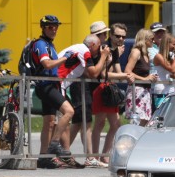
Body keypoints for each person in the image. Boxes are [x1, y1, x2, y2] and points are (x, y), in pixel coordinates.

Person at [57, 33, 111, 168]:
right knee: (67, 117)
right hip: (59, 83)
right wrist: (103, 56)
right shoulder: (85, 52)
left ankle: (63, 153)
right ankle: (57, 151)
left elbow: (90, 72)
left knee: (72, 118)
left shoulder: (79, 49)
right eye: (98, 48)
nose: (99, 50)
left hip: (60, 84)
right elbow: (93, 73)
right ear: (92, 45)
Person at [32, 15, 75, 169]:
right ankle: (54, 145)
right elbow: (47, 64)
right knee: (69, 111)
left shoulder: (50, 44)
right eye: (50, 27)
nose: (54, 29)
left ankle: (44, 157)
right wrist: (64, 58)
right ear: (43, 28)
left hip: (50, 85)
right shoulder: (41, 44)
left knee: (49, 122)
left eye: (56, 26)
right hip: (45, 86)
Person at [92, 22, 134, 165]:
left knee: (115, 124)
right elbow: (104, 74)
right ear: (111, 35)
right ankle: (95, 156)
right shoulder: (105, 48)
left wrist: (128, 75)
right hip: (100, 87)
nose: (121, 39)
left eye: (123, 37)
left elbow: (118, 72)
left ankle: (104, 155)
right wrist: (124, 76)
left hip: (109, 88)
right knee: (99, 122)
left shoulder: (115, 50)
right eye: (117, 36)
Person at [125, 28, 158, 126]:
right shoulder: (136, 52)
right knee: (136, 121)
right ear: (145, 39)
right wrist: (145, 79)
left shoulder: (146, 53)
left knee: (145, 121)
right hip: (136, 91)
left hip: (145, 91)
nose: (154, 41)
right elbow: (127, 71)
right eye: (151, 39)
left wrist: (150, 78)